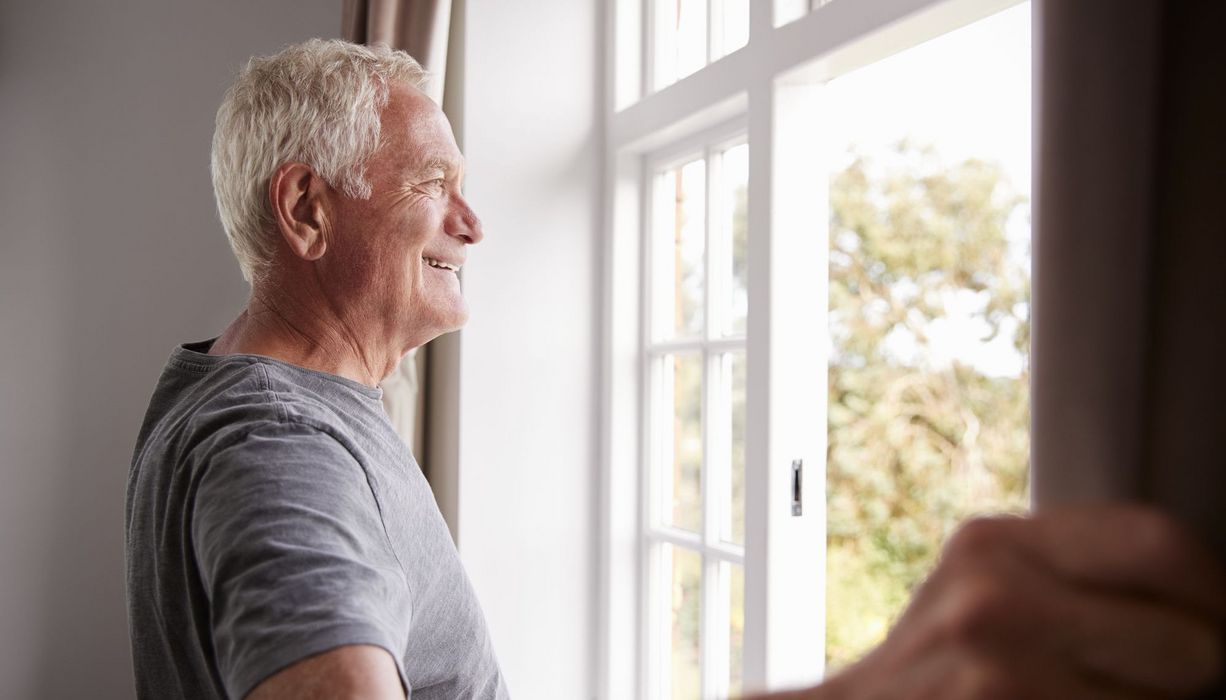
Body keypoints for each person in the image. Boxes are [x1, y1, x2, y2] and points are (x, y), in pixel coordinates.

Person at [125, 38, 1226, 699]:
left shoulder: (232, 394)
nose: (471, 219)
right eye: (430, 183)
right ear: (308, 210)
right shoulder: (279, 446)